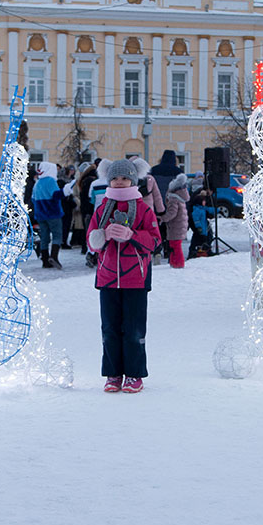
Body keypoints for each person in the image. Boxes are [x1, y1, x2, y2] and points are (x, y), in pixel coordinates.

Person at [86, 158, 161, 393]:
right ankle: (113, 373)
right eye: (115, 178)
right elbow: (91, 242)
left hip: (136, 279)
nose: (120, 182)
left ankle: (134, 374)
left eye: (125, 178)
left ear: (133, 179)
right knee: (109, 328)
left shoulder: (143, 209)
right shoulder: (102, 208)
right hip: (107, 278)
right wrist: (104, 234)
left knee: (134, 329)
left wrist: (131, 235)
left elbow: (156, 241)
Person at [32, 161, 64, 269]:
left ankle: (45, 260)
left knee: (44, 237)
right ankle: (54, 256)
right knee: (57, 235)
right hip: (53, 213)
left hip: (40, 214)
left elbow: (33, 199)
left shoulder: (37, 183)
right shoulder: (51, 181)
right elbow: (56, 195)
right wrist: (65, 191)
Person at [161, 173, 190, 268]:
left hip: (175, 226)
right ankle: (175, 262)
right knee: (176, 245)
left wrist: (163, 218)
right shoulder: (181, 198)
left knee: (175, 246)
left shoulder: (173, 199)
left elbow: (172, 213)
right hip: (180, 225)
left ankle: (178, 263)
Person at [188, 186, 216, 258]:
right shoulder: (198, 197)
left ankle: (206, 249)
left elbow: (207, 209)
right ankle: (193, 251)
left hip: (202, 220)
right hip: (196, 221)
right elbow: (195, 210)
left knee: (208, 234)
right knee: (197, 235)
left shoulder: (206, 198)